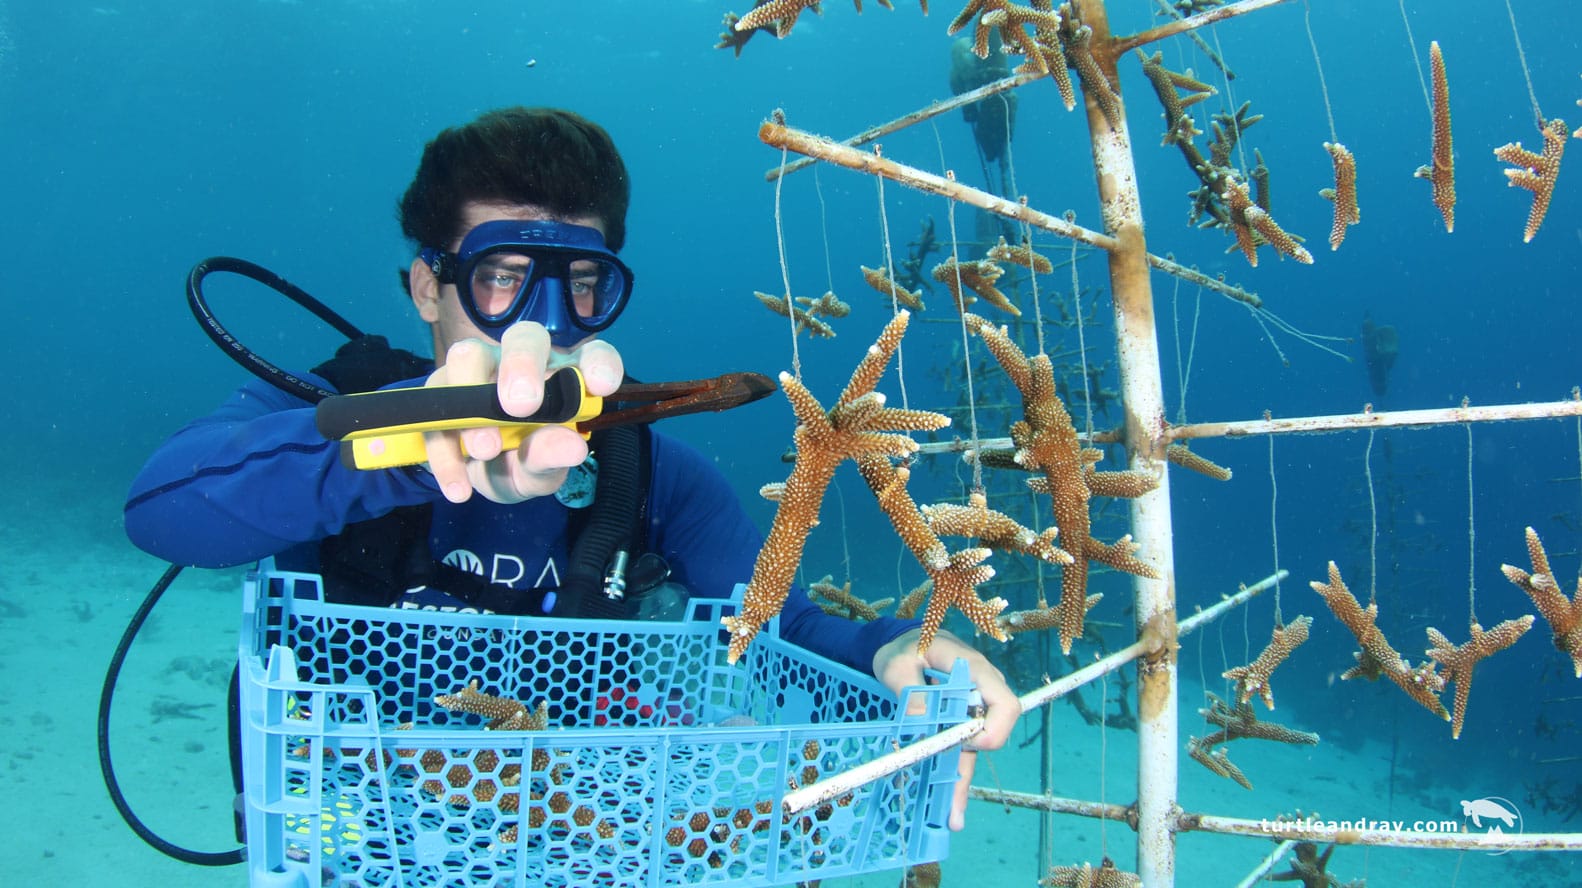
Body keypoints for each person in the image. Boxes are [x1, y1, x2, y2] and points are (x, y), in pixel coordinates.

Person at [124, 106, 1017, 832]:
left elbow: (782, 636)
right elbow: (163, 513)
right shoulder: (337, 413)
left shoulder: (658, 479)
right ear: (427, 288)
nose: (543, 324)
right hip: (346, 832)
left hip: (563, 837)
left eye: (580, 283)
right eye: (502, 278)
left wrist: (893, 648)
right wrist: (402, 449)